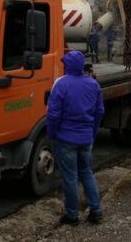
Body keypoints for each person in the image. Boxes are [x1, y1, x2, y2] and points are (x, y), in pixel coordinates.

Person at [47, 51, 105, 226]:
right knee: (86, 172)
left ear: (68, 66)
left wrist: (52, 133)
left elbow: (53, 113)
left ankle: (72, 216)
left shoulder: (61, 84)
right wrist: (92, 132)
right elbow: (100, 111)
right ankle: (96, 211)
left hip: (65, 139)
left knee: (70, 178)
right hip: (86, 139)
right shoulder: (93, 85)